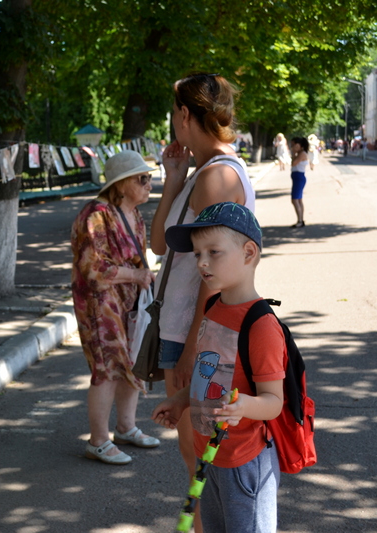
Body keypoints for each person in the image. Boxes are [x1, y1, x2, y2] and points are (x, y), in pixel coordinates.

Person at [150, 72, 256, 532]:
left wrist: (196, 349)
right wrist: (172, 178)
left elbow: (211, 280)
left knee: (200, 459)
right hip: (182, 328)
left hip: (195, 331)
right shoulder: (202, 172)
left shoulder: (216, 178)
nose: (173, 120)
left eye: (175, 111)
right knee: (194, 456)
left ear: (187, 115)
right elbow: (161, 245)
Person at [152, 202, 284, 533]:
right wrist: (182, 399)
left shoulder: (261, 325)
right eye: (197, 254)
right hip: (207, 454)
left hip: (243, 461)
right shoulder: (213, 307)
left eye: (214, 251)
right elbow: (207, 373)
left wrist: (244, 406)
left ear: (249, 253)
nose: (203, 262)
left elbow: (273, 402)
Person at [71, 150, 160, 466]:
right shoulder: (96, 214)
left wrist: (143, 276)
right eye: (143, 179)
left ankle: (126, 427)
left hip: (128, 301)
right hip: (99, 303)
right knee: (107, 368)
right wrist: (135, 274)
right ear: (121, 185)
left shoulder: (133, 214)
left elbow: (137, 257)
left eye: (148, 178)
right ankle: (98, 441)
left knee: (131, 362)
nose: (149, 184)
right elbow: (92, 268)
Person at [289, 136, 309, 228]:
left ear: (300, 146)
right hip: (297, 177)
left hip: (299, 177)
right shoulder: (300, 153)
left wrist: (293, 153)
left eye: (294, 145)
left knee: (295, 200)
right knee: (299, 200)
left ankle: (300, 221)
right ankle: (300, 219)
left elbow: (293, 163)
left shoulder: (302, 154)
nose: (293, 147)